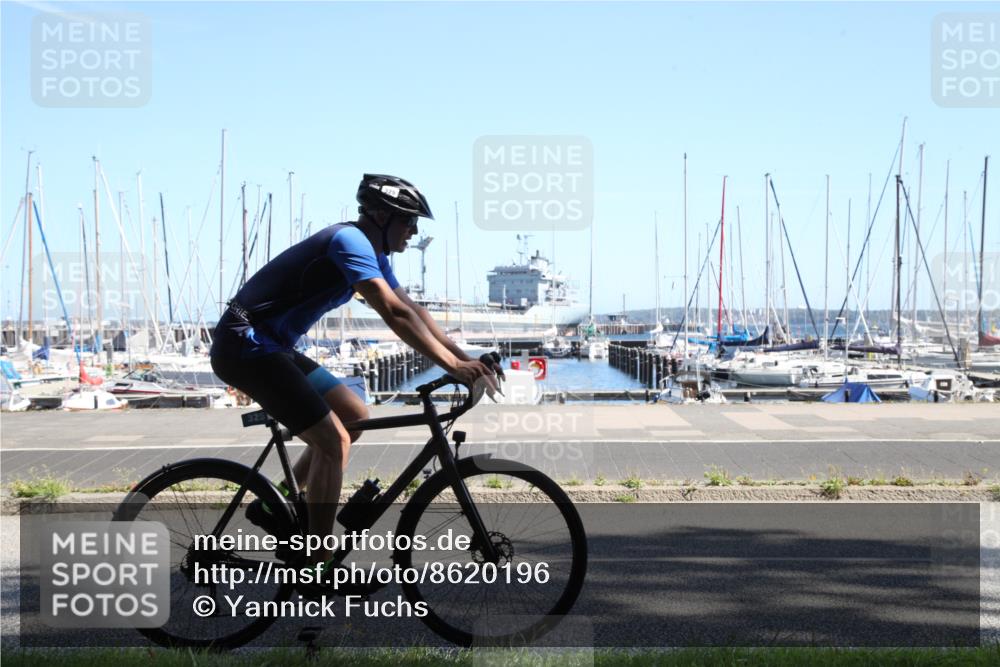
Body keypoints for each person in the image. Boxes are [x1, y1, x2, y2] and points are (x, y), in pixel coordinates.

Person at [210, 174, 498, 567]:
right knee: (333, 441)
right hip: (245, 346)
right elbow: (393, 312)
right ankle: (317, 558)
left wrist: (466, 359)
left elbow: (413, 310)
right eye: (408, 221)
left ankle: (272, 504)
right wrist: (452, 366)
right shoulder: (349, 242)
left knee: (355, 417)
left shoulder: (373, 253)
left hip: (270, 345)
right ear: (380, 216)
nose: (413, 231)